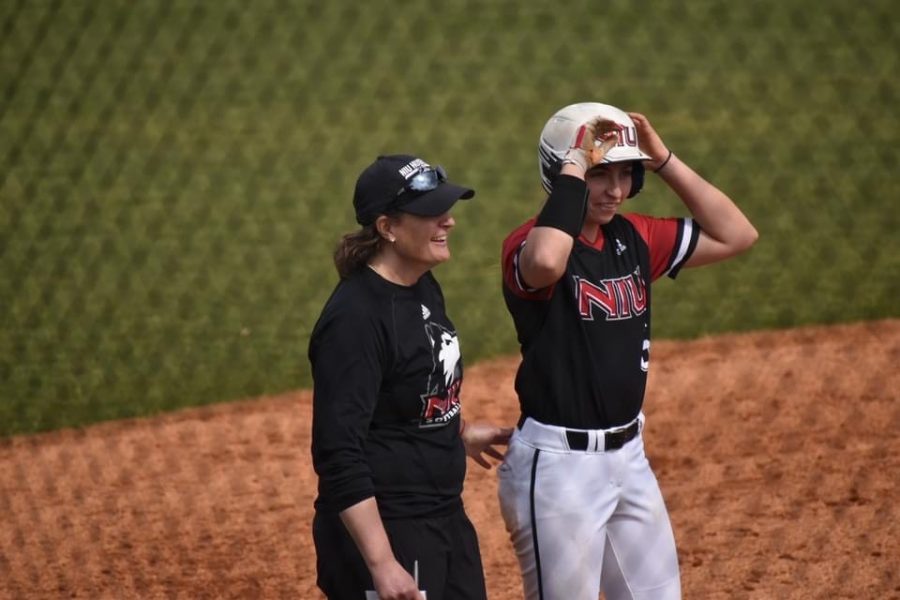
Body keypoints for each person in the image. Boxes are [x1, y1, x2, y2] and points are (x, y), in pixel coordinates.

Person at [497, 102, 759, 599]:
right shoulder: (527, 244)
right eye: (600, 174)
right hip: (559, 468)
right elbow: (549, 262)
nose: (615, 190)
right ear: (565, 171)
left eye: (626, 174)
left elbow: (738, 234)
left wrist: (663, 160)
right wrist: (572, 171)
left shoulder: (632, 236)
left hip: (629, 460)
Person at [309, 154, 513, 600]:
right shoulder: (355, 321)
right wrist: (382, 564)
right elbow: (337, 454)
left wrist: (454, 430)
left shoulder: (420, 283)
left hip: (443, 517)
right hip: (392, 530)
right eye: (430, 212)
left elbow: (412, 385)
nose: (449, 221)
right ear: (388, 227)